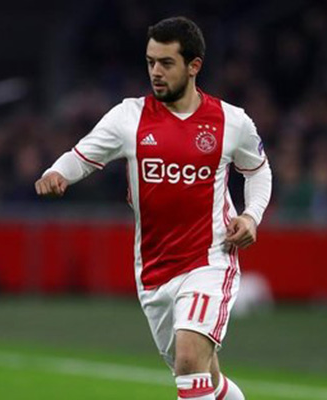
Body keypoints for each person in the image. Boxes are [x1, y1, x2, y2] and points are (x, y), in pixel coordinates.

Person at [36, 16, 272, 400]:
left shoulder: (231, 121)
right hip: (154, 272)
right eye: (150, 62)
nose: (156, 72)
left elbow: (258, 171)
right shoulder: (128, 117)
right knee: (204, 376)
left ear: (194, 66)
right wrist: (57, 172)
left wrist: (250, 216)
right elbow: (81, 155)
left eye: (166, 63)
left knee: (189, 360)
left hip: (210, 259)